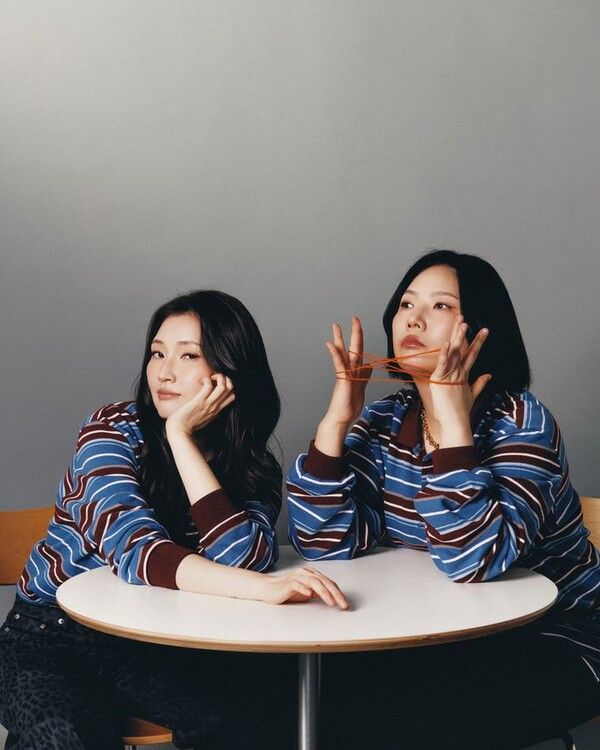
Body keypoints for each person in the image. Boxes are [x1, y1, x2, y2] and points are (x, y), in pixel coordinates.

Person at [0, 290, 347, 750]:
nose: (164, 372)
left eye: (188, 356)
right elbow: (137, 552)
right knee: (63, 734)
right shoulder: (110, 429)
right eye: (157, 353)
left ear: (229, 372)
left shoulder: (251, 464)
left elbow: (243, 559)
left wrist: (180, 438)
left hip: (156, 642)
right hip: (50, 636)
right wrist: (263, 590)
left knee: (251, 719)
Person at [287, 250, 600, 749]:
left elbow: (474, 561)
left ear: (480, 331)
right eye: (406, 304)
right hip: (436, 633)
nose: (414, 319)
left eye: (440, 306)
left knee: (407, 721)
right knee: (313, 707)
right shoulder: (386, 420)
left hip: (554, 637)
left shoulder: (522, 423)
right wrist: (336, 422)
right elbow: (323, 543)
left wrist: (454, 426)